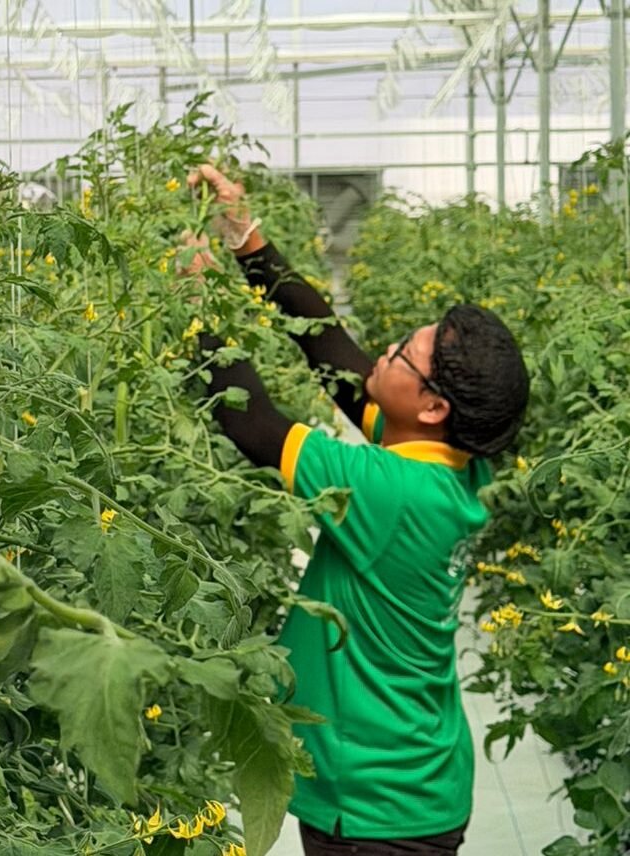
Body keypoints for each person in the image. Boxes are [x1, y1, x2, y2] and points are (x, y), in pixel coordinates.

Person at [183, 164, 529, 856]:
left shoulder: (388, 492)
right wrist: (246, 239)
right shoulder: (447, 463)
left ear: (432, 405)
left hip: (378, 810)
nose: (387, 349)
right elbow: (332, 355)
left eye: (405, 352)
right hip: (411, 786)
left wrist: (193, 303)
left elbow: (254, 427)